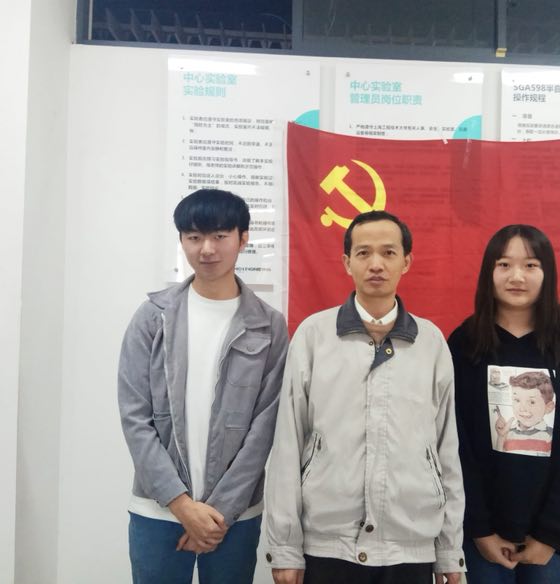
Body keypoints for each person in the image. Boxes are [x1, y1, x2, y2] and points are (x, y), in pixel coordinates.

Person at [264, 210, 466, 584]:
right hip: (328, 545)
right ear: (347, 262)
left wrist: (449, 551)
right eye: (363, 253)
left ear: (406, 262)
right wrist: (285, 546)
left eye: (388, 253)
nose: (376, 264)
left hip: (410, 545)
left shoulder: (430, 342)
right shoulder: (314, 335)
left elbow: (446, 449)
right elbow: (288, 443)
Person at [118, 188, 289, 584]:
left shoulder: (268, 325)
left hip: (235, 516)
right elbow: (134, 417)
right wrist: (182, 506)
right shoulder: (152, 317)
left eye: (219, 236)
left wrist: (219, 512)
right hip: (159, 510)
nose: (207, 249)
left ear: (243, 239)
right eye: (194, 237)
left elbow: (265, 427)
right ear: (181, 241)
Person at [447, 224, 560, 584]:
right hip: (482, 533)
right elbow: (455, 443)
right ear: (489, 272)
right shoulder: (464, 344)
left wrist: (552, 534)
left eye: (531, 265)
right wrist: (480, 528)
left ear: (547, 273)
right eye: (504, 264)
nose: (517, 276)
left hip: (551, 538)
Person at [494, 371, 555, 455]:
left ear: (548, 407)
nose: (522, 408)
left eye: (532, 402)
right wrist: (501, 437)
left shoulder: (551, 435)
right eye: (517, 400)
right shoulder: (508, 432)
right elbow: (500, 458)